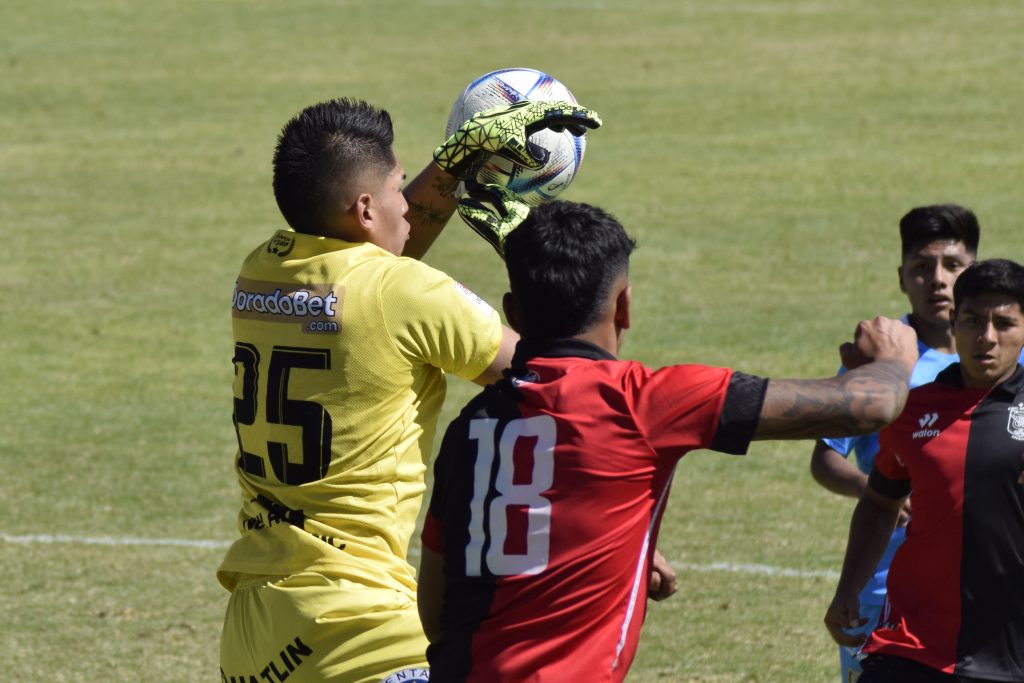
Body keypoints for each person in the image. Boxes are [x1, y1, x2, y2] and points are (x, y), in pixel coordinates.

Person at [416, 192, 920, 682]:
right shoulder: (643, 401)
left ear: (513, 312)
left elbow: (438, 605)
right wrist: (895, 358)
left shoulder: (471, 426)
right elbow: (869, 405)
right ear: (624, 308)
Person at [217, 97, 600, 683]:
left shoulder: (262, 272)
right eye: (400, 187)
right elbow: (556, 378)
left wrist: (451, 166)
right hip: (363, 633)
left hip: (256, 638)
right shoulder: (404, 294)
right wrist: (527, 255)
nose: (409, 203)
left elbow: (373, 269)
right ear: (366, 209)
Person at [824, 258, 1024, 683]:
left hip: (1010, 652)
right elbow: (880, 503)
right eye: (972, 320)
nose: (986, 338)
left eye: (1004, 324)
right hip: (913, 647)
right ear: (953, 321)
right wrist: (849, 587)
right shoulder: (913, 410)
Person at [809, 204, 979, 682]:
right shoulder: (881, 361)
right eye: (922, 269)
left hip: (983, 586)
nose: (938, 281)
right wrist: (878, 488)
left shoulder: (1009, 360)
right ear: (902, 278)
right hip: (883, 586)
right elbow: (826, 460)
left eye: (953, 266)